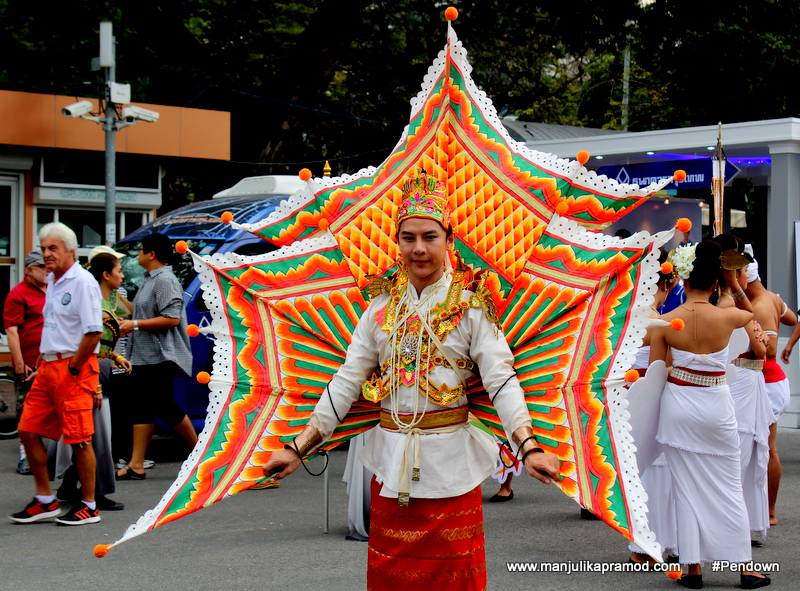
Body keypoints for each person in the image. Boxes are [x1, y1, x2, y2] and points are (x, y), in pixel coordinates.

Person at [261, 172, 561, 590]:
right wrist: (299, 447)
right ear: (397, 241)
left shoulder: (472, 306)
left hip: (452, 466)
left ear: (448, 240)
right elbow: (347, 380)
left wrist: (528, 447)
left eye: (429, 236)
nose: (418, 248)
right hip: (390, 468)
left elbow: (501, 380)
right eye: (408, 237)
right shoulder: (380, 308)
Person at [650, 241, 770, 589]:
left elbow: (660, 368)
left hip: (678, 405)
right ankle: (745, 568)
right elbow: (755, 319)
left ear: (684, 283)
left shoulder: (666, 321)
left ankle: (693, 570)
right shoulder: (729, 315)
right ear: (715, 284)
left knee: (685, 489)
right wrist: (735, 286)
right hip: (716, 405)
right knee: (730, 487)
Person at [9, 222, 103, 525]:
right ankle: (45, 500)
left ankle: (89, 505)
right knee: (27, 429)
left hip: (72, 367)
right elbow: (54, 328)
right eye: (44, 247)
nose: (46, 254)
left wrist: (74, 366)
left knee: (80, 440)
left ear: (70, 251)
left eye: (53, 248)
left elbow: (93, 332)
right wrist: (41, 363)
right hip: (48, 367)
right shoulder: (52, 280)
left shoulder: (82, 282)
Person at [53, 251, 132, 511]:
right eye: (119, 269)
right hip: (92, 375)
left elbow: (99, 345)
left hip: (99, 370)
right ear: (106, 274)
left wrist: (115, 357)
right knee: (97, 437)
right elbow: (86, 346)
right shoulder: (94, 303)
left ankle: (69, 485)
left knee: (90, 435)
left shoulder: (104, 300)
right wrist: (95, 385)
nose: (122, 274)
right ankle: (95, 494)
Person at [116, 232, 196, 480]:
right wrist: (120, 305)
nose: (137, 254)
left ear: (151, 254)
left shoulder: (165, 281)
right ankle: (136, 464)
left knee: (165, 405)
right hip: (141, 355)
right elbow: (141, 311)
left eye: (141, 250)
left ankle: (199, 455)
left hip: (160, 356)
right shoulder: (149, 279)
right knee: (141, 407)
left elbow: (172, 318)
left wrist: (135, 325)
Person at [628, 249, 679, 565]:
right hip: (656, 395)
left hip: (627, 397)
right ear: (666, 283)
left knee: (637, 469)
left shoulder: (623, 319)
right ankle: (661, 543)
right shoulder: (662, 324)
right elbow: (667, 367)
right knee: (659, 468)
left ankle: (642, 545)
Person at [744, 258, 796, 526]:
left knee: (766, 449)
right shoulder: (771, 299)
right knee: (764, 447)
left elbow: (771, 351)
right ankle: (765, 509)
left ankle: (770, 511)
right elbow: (792, 318)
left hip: (768, 382)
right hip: (772, 382)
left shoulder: (761, 305)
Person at [3, 250, 47, 475]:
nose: (47, 270)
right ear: (29, 269)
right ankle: (25, 453)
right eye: (42, 266)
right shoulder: (18, 294)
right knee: (27, 407)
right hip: (29, 362)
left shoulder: (53, 290)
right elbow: (11, 331)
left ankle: (49, 454)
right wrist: (19, 362)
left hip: (51, 362)